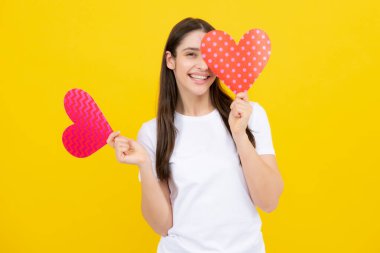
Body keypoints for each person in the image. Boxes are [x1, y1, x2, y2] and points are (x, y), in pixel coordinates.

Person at [107, 17, 284, 253]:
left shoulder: (249, 116)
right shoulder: (153, 132)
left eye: (210, 57)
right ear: (171, 60)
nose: (203, 65)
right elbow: (162, 225)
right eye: (191, 54)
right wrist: (144, 164)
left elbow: (269, 201)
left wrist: (240, 135)